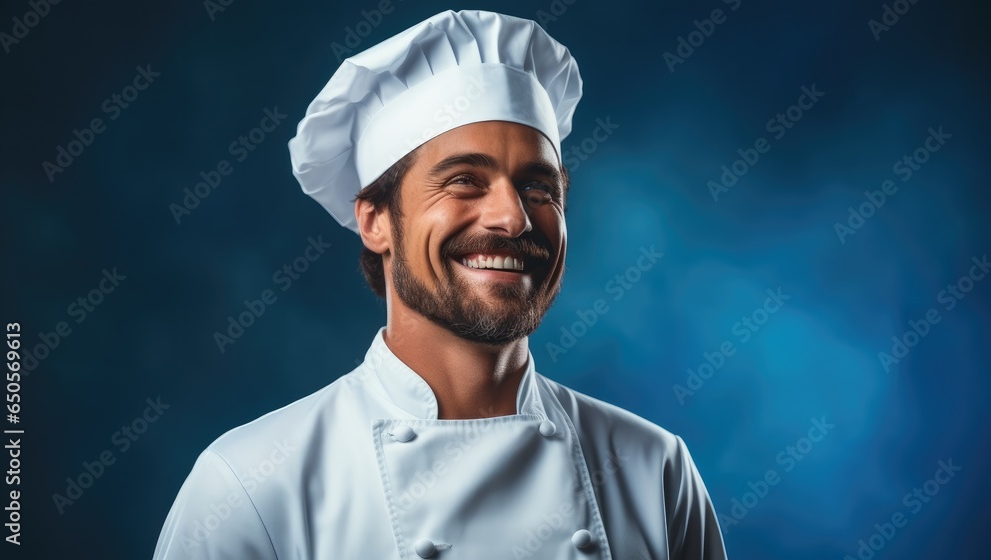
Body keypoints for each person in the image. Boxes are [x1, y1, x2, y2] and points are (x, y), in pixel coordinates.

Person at [153, 9, 728, 559]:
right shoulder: (249, 485)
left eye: (538, 187)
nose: (513, 218)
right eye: (464, 181)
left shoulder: (655, 469)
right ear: (375, 220)